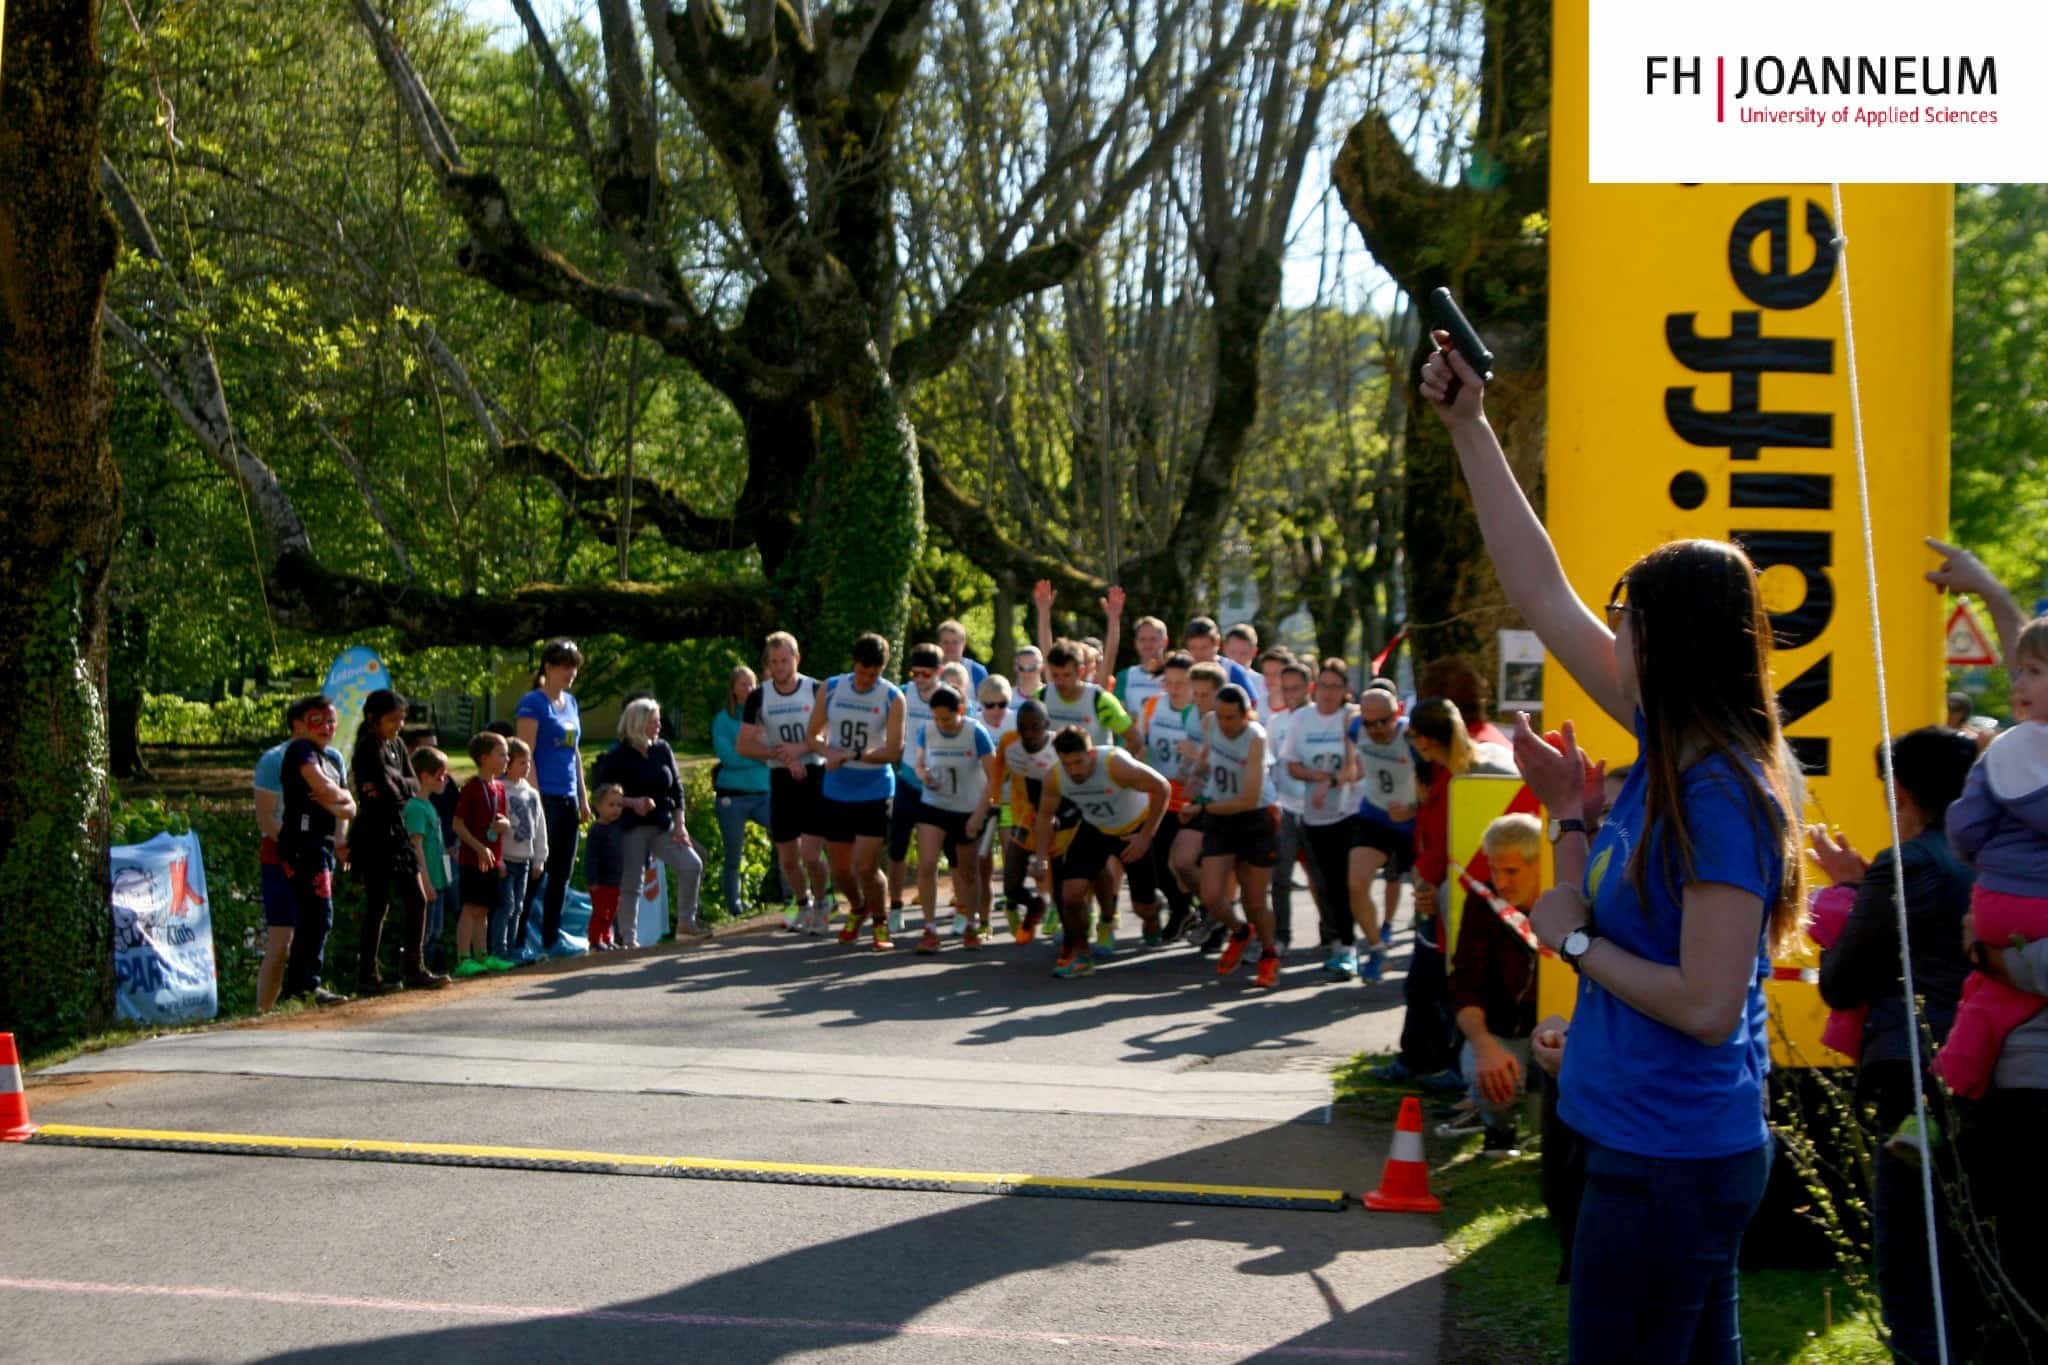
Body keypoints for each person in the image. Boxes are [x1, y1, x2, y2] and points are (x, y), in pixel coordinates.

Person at [1424, 335, 1802, 1362]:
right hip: (1643, 1148)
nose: (1608, 633)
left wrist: (1576, 948)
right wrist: (1467, 426)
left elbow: (1705, 1001)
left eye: (1625, 619)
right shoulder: (1669, 757)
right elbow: (1540, 592)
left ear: (1668, 644)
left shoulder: (1721, 790)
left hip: (1671, 1162)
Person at [1812, 726, 1978, 1365]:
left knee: (1912, 1269)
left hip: (1915, 1081)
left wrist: (1851, 893)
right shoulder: (1996, 857)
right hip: (1992, 1080)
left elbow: (1841, 979)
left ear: (1900, 792)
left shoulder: (1906, 864)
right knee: (1972, 1268)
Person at [1936, 617, 2048, 1099]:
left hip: (1998, 906)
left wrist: (1986, 860)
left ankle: (1939, 1102)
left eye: (2033, 670)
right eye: (2019, 671)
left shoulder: (2003, 752)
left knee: (1985, 996)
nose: (2019, 682)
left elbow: (1965, 828)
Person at [1442, 813, 1545, 1157]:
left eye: (1512, 871)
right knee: (1489, 1075)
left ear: (1539, 864)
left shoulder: (1566, 901)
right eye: (1494, 869)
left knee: (1549, 1118)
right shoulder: (1483, 901)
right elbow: (1465, 982)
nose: (1500, 882)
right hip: (1502, 1030)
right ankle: (1498, 1129)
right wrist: (1484, 1044)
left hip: (1557, 1033)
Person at [1031, 726, 1170, 978]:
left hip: (1132, 829)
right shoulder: (1055, 777)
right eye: (1067, 763)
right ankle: (1082, 955)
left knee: (1144, 907)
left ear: (1091, 754)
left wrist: (1145, 837)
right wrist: (1040, 858)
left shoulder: (1115, 764)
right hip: (1095, 828)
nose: (1074, 770)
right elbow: (1043, 817)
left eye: (1079, 762)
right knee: (1071, 896)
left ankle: (1154, 912)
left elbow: (1162, 788)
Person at [810, 632, 907, 949]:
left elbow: (893, 751)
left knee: (865, 865)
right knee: (840, 868)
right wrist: (829, 754)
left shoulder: (892, 698)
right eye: (862, 672)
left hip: (874, 787)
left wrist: (854, 755)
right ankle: (858, 907)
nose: (866, 680)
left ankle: (880, 922)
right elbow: (813, 736)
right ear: (854, 664)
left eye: (874, 674)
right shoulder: (832, 687)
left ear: (883, 670)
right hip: (838, 787)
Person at [349, 690, 448, 994]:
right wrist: (393, 787)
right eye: (392, 719)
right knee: (379, 903)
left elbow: (408, 784)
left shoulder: (398, 746)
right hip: (374, 832)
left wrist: (395, 786)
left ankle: (414, 966)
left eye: (401, 719)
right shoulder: (368, 747)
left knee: (416, 897)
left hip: (397, 827)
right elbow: (384, 785)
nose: (398, 725)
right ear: (373, 718)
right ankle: (368, 973)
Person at [254, 697, 349, 1010]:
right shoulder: (277, 758)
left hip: (320, 852)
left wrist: (339, 841)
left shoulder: (333, 757)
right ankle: (264, 1012)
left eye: (331, 721)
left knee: (316, 921)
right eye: (317, 720)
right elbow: (267, 818)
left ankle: (298, 994)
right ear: (297, 723)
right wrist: (295, 846)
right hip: (284, 852)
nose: (327, 727)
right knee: (282, 937)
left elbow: (346, 807)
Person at [742, 632, 834, 935]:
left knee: (810, 853)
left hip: (814, 774)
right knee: (788, 857)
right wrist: (777, 753)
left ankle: (823, 902)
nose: (781, 667)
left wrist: (801, 750)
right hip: (781, 777)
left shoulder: (816, 689)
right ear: (768, 664)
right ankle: (803, 902)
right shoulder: (759, 696)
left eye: (786, 660)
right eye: (775, 662)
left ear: (797, 659)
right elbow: (743, 745)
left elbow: (829, 737)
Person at [593, 697, 705, 946]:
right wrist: (633, 802)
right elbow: (602, 794)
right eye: (653, 721)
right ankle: (629, 939)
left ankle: (687, 921)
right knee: (632, 881)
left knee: (691, 864)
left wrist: (680, 824)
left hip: (663, 825)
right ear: (638, 723)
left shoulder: (662, 749)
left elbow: (676, 789)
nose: (659, 725)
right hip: (631, 827)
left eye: (658, 720)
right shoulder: (618, 755)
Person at [1194, 684, 1283, 988]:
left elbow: (1248, 798)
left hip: (1254, 818)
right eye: (1220, 716)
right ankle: (1241, 931)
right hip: (1220, 817)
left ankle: (1270, 954)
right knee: (1210, 896)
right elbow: (1207, 760)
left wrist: (1203, 808)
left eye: (1231, 718)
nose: (1224, 724)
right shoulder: (1210, 723)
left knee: (1255, 901)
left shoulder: (1255, 737)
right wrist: (1196, 778)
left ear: (1246, 715)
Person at [1285, 660, 1363, 980]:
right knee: (1327, 884)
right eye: (1324, 686)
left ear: (1345, 690)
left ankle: (1349, 947)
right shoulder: (1302, 718)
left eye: (1336, 687)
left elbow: (1355, 769)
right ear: (1315, 688)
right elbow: (1291, 765)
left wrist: (1329, 782)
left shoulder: (1352, 718)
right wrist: (1311, 775)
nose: (1329, 693)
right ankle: (1338, 943)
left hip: (1350, 812)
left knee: (1348, 882)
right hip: (1315, 816)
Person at [909, 685, 999, 951]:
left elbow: (995, 777)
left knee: (967, 872)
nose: (941, 724)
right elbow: (920, 763)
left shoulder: (976, 733)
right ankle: (930, 929)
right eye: (936, 717)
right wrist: (923, 775)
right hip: (934, 805)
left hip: (967, 809)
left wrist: (978, 816)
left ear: (960, 710)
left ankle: (971, 925)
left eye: (947, 718)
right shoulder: (926, 731)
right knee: (926, 864)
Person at [515, 640, 590, 958]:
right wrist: (535, 800)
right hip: (543, 798)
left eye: (574, 665)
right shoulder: (533, 703)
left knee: (561, 872)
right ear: (548, 666)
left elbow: (574, 755)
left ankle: (550, 937)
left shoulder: (571, 703)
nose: (570, 672)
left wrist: (583, 799)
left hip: (568, 797)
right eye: (564, 665)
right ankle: (516, 941)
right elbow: (524, 754)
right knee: (535, 871)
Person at [1346, 683, 1415, 980]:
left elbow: (1438, 779)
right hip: (1375, 813)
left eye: (1383, 722)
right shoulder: (1354, 729)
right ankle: (1376, 950)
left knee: (1427, 893)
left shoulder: (1412, 736)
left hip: (1414, 820)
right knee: (1357, 883)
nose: (1376, 729)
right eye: (1369, 722)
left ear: (1397, 712)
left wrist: (1414, 808)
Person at [1139, 652, 1203, 944]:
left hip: (1188, 800)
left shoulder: (1199, 714)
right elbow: (1140, 744)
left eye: (1182, 683)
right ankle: (1182, 908)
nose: (1175, 688)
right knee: (1155, 862)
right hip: (1158, 796)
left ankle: (1197, 908)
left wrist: (1196, 758)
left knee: (1180, 861)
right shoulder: (1152, 707)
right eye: (1170, 682)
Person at [992, 696, 1063, 942]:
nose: (1029, 733)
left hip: (1056, 820)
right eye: (1023, 727)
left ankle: (1061, 914)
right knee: (1011, 884)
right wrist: (989, 805)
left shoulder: (1059, 747)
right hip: (1023, 819)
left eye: (1035, 727)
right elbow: (996, 776)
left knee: (1060, 878)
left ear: (1047, 724)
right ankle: (1034, 905)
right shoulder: (1009, 743)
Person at [1266, 656, 1324, 953]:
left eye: (1296, 688)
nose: (1290, 694)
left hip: (1319, 811)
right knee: (1280, 875)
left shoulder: (1320, 720)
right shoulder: (1275, 723)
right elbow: (1272, 765)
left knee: (1319, 876)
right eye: (1285, 688)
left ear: (1309, 688)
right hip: (1287, 808)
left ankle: (1331, 934)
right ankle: (1282, 935)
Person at [888, 643, 946, 923]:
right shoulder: (902, 694)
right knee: (897, 848)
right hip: (907, 780)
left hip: (937, 788)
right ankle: (896, 908)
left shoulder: (950, 698)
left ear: (940, 672)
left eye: (926, 674)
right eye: (915, 674)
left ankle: (931, 916)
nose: (920, 680)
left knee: (929, 856)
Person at [713, 665, 776, 920]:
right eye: (743, 684)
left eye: (752, 684)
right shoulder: (723, 720)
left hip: (764, 793)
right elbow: (729, 758)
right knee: (733, 853)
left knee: (786, 837)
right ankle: (734, 905)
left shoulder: (764, 717)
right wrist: (760, 755)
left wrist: (754, 753)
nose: (749, 689)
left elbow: (774, 752)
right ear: (733, 689)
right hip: (733, 796)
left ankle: (788, 894)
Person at [450, 731, 514, 977]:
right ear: (484, 758)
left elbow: (502, 821)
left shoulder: (499, 787)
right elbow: (457, 824)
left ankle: (483, 956)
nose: (506, 759)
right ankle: (463, 958)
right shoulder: (471, 788)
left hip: (492, 860)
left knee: (484, 909)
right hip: (472, 859)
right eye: (501, 754)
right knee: (470, 908)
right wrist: (479, 847)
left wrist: (504, 826)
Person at [404, 747, 457, 975]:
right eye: (441, 775)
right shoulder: (415, 808)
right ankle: (415, 970)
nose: (445, 780)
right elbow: (417, 848)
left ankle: (427, 969)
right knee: (425, 932)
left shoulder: (430, 806)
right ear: (425, 776)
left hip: (438, 880)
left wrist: (445, 876)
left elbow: (440, 846)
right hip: (428, 882)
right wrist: (425, 883)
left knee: (436, 930)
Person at [499, 739, 548, 964]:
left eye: (528, 762)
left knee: (518, 905)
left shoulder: (531, 794)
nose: (526, 767)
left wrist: (539, 859)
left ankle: (514, 947)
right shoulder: (500, 790)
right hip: (505, 859)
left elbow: (540, 827)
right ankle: (500, 949)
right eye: (521, 762)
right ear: (507, 763)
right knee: (505, 905)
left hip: (525, 859)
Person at [583, 784, 629, 949]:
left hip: (615, 880)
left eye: (619, 805)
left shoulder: (618, 827)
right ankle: (595, 940)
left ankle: (607, 937)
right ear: (598, 806)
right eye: (611, 805)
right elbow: (591, 857)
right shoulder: (597, 830)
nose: (616, 809)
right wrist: (592, 880)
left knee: (611, 912)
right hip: (600, 881)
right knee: (600, 912)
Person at [1184, 616, 1261, 699]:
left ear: (1217, 642)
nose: (1198, 653)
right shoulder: (1180, 669)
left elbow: (1252, 704)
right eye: (1193, 648)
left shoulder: (1232, 671)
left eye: (1204, 647)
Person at [936, 619, 989, 691]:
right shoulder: (928, 672)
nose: (950, 646)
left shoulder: (976, 671)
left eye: (955, 642)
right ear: (938, 644)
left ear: (963, 645)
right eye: (945, 642)